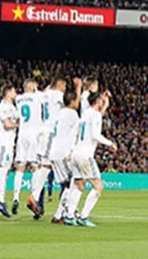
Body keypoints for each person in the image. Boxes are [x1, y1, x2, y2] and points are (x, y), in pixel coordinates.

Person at [28, 76, 78, 218]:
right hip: (50, 132)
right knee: (46, 166)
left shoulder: (44, 94)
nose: (65, 88)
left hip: (41, 130)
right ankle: (35, 196)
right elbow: (70, 104)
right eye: (64, 85)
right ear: (60, 84)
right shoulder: (58, 95)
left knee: (45, 165)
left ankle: (36, 197)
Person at [66, 92, 117, 227]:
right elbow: (95, 135)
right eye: (101, 100)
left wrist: (70, 150)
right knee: (98, 186)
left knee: (79, 185)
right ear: (97, 101)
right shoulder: (95, 115)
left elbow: (75, 133)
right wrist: (110, 143)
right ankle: (83, 217)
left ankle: (69, 215)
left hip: (76, 153)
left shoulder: (85, 114)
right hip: (85, 155)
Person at [48, 88, 81, 224]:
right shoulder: (72, 114)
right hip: (63, 153)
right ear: (72, 101)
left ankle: (64, 212)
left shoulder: (59, 113)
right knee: (72, 184)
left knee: (67, 184)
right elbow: (79, 131)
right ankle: (62, 214)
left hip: (54, 152)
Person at [14, 78, 43, 216]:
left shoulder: (18, 99)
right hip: (33, 135)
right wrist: (36, 90)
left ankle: (15, 198)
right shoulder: (37, 96)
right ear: (31, 86)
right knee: (35, 166)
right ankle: (33, 196)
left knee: (20, 166)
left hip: (22, 134)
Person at [0, 83, 19, 218]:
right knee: (3, 170)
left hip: (9, 142)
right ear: (8, 93)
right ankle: (0, 200)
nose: (16, 93)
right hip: (4, 142)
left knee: (6, 170)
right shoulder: (3, 106)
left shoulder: (12, 107)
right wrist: (20, 125)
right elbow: (7, 124)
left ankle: (1, 199)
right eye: (14, 90)